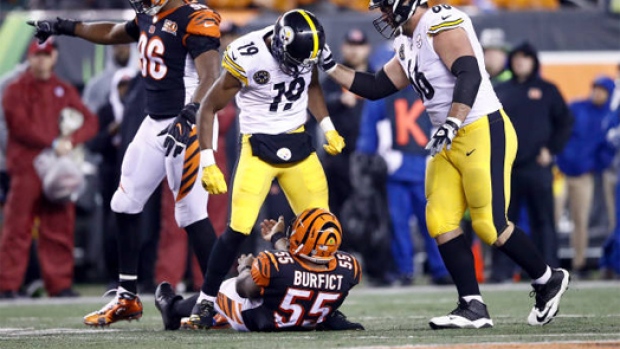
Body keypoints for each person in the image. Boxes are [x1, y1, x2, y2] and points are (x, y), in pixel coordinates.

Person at [318, 0, 570, 329]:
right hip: (448, 136)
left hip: (480, 128)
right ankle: (472, 306)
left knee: (489, 225)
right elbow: (377, 86)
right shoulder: (408, 43)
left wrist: (452, 122)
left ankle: (547, 278)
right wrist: (330, 66)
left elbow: (469, 71)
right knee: (439, 220)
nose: (381, 15)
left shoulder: (441, 22)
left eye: (384, 7)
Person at [28, 0, 221, 326]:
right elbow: (115, 32)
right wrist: (66, 26)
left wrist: (190, 113)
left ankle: (215, 302)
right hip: (155, 121)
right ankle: (128, 297)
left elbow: (212, 75)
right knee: (124, 202)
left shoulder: (194, 16)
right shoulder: (150, 14)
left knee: (190, 214)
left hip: (189, 121)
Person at [192, 9, 345, 329]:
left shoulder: (306, 50)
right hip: (258, 147)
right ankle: (205, 302)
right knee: (238, 229)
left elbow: (312, 84)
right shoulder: (248, 55)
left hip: (299, 144)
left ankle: (325, 308)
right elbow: (207, 107)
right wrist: (207, 161)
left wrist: (327, 125)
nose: (297, 68)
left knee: (323, 231)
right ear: (278, 44)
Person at [154, 208, 364, 332]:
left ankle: (172, 309)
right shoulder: (349, 268)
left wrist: (245, 268)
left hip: (261, 320)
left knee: (222, 289)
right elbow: (304, 265)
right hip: (309, 318)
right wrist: (277, 239)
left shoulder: (273, 263)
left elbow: (245, 290)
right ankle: (329, 317)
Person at [0, 38, 98, 299]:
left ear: (54, 57)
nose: (41, 60)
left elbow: (90, 121)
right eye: (37, 55)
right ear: (29, 58)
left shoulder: (62, 89)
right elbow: (20, 126)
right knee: (17, 228)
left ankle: (59, 284)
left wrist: (71, 140)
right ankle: (7, 285)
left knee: (59, 226)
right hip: (27, 165)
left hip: (55, 166)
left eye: (46, 55)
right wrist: (56, 142)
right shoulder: (15, 89)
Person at [494, 42, 573, 281]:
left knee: (544, 221)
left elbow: (565, 122)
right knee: (503, 222)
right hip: (508, 167)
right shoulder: (501, 90)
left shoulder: (548, 89)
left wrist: (551, 150)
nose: (520, 62)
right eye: (516, 58)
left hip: (537, 167)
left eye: (525, 58)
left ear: (534, 61)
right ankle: (503, 272)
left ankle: (550, 270)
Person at [357, 87, 451, 286]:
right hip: (411, 166)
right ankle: (428, 269)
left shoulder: (384, 89)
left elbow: (368, 131)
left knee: (416, 223)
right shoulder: (429, 87)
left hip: (405, 165)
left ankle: (415, 270)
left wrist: (366, 154)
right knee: (416, 222)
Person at [556, 76, 616, 277]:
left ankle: (579, 264)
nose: (597, 93)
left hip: (584, 175)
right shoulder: (576, 107)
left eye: (602, 90)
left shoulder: (608, 117)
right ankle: (547, 263)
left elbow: (607, 148)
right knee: (552, 218)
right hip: (560, 173)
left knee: (581, 220)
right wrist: (558, 156)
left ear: (608, 94)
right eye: (595, 88)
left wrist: (595, 167)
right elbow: (559, 130)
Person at [321, 28, 372, 219]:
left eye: (359, 46)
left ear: (367, 48)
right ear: (343, 47)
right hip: (340, 155)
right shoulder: (335, 76)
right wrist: (339, 100)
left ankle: (372, 248)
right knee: (338, 208)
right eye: (351, 45)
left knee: (372, 207)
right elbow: (318, 103)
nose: (354, 50)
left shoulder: (377, 76)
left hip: (370, 156)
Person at [82, 44, 132, 113]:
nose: (122, 49)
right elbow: (89, 116)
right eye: (117, 45)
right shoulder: (96, 85)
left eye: (126, 45)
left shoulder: (140, 81)